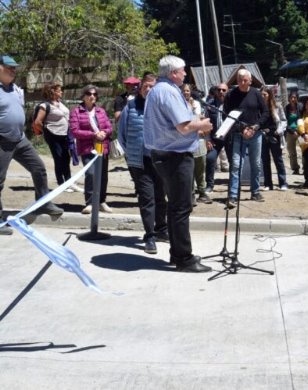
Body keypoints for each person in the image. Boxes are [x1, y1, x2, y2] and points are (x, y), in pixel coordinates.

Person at [144, 55, 214, 272]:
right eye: (183, 70)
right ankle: (184, 258)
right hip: (174, 156)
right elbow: (183, 127)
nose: (185, 73)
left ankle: (177, 254)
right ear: (173, 73)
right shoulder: (168, 91)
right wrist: (202, 124)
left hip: (165, 154)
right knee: (182, 207)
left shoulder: (159, 90)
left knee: (175, 207)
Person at [0, 54, 64, 235]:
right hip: (2, 141)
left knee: (39, 168)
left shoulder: (16, 89)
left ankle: (42, 203)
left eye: (14, 67)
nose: (13, 70)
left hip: (19, 139)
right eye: (9, 67)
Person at [118, 73, 168, 254]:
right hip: (140, 161)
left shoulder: (162, 107)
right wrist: (131, 154)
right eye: (146, 86)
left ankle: (162, 230)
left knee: (161, 197)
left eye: (153, 86)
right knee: (147, 198)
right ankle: (150, 236)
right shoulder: (130, 107)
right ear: (140, 87)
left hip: (160, 159)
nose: (149, 89)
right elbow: (121, 135)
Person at [224, 69, 267, 208]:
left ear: (250, 80)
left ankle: (255, 191)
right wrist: (241, 129)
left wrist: (256, 127)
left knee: (256, 164)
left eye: (245, 80)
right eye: (239, 80)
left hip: (256, 134)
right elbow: (226, 116)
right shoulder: (231, 95)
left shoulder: (256, 93)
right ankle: (233, 195)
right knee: (236, 165)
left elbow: (266, 112)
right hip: (238, 135)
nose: (242, 83)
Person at [70, 84, 113, 214]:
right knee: (91, 174)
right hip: (87, 147)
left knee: (103, 175)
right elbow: (75, 131)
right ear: (83, 96)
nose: (92, 96)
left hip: (102, 147)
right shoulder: (76, 112)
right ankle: (89, 203)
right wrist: (94, 134)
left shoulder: (101, 111)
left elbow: (109, 127)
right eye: (89, 94)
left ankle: (101, 202)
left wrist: (104, 133)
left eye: (94, 94)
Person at [32, 81, 79, 192]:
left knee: (66, 157)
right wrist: (46, 130)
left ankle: (68, 181)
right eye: (59, 90)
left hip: (65, 134)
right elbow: (38, 121)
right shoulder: (45, 106)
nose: (61, 92)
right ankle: (61, 183)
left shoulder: (59, 102)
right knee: (58, 158)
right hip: (53, 136)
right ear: (53, 92)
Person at [182, 84, 211, 205]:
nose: (186, 93)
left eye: (188, 91)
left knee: (200, 167)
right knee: (190, 170)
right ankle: (191, 194)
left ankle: (202, 192)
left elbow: (201, 120)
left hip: (199, 140)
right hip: (187, 142)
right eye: (184, 91)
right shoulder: (179, 105)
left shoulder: (197, 104)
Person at [260, 86, 288, 191]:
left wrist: (279, 130)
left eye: (265, 95)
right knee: (265, 160)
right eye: (261, 95)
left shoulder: (277, 106)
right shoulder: (259, 107)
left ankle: (283, 183)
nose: (263, 97)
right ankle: (268, 184)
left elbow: (284, 121)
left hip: (275, 135)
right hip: (263, 135)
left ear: (269, 95)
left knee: (278, 160)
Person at [204, 83, 230, 194]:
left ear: (227, 91)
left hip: (229, 138)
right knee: (210, 158)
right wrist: (208, 139)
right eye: (219, 90)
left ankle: (233, 186)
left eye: (224, 90)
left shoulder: (231, 105)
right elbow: (206, 123)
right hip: (215, 139)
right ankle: (209, 185)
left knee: (234, 161)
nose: (221, 92)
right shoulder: (210, 105)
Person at [284, 93, 301, 175]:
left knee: (304, 150)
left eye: (294, 97)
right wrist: (291, 131)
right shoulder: (286, 108)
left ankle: (307, 168)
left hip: (300, 131)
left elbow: (302, 119)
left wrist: (298, 130)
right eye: (291, 97)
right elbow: (284, 121)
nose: (293, 99)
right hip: (290, 131)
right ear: (289, 98)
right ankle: (295, 168)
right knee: (291, 151)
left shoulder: (300, 107)